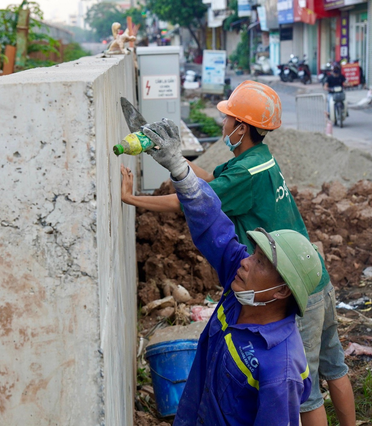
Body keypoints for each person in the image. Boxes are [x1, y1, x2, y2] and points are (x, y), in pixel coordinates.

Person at [121, 81, 356, 426]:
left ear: (241, 128)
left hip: (291, 283)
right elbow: (210, 192)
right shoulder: (257, 159)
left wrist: (132, 199)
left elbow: (191, 206)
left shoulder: (275, 355)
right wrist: (177, 163)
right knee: (334, 367)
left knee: (305, 396)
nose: (223, 124)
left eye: (227, 119)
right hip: (311, 274)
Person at [139, 117, 321, 425]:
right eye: (254, 254)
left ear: (282, 290)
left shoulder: (280, 366)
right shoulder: (245, 293)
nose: (246, 261)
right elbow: (213, 225)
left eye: (261, 262)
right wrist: (180, 170)